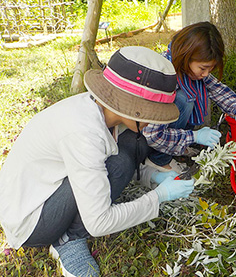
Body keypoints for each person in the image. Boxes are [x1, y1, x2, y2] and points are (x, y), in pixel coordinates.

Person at [0, 46, 195, 277]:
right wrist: (159, 196)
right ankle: (69, 239)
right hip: (33, 219)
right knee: (121, 162)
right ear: (135, 107)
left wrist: (152, 177)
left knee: (136, 143)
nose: (155, 121)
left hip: (50, 188)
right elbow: (99, 222)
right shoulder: (84, 133)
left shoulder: (101, 110)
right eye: (153, 113)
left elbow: (104, 156)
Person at [143, 21, 236, 171]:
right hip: (143, 138)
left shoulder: (188, 68)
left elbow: (218, 89)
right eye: (203, 68)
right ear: (186, 57)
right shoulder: (163, 76)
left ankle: (178, 148)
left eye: (211, 68)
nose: (206, 74)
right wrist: (194, 137)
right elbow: (152, 135)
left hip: (160, 133)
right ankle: (158, 161)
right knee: (184, 100)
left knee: (189, 95)